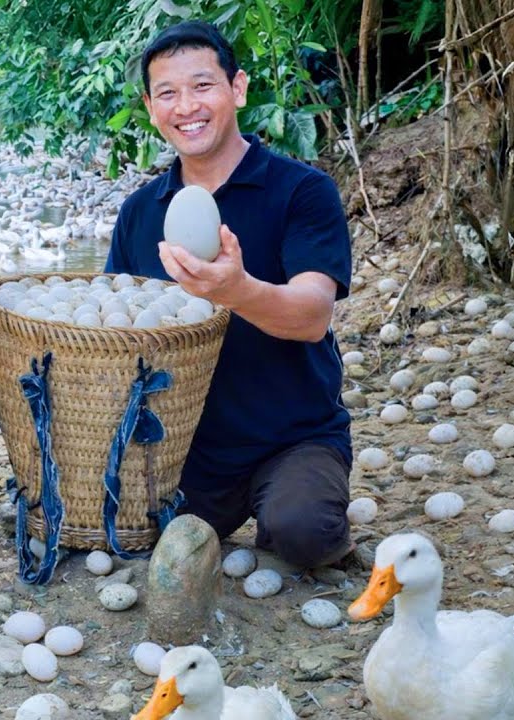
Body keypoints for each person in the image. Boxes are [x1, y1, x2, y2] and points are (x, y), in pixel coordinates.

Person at [105, 21, 353, 569]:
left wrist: (236, 289)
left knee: (302, 533)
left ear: (237, 89)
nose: (185, 106)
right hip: (185, 444)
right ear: (150, 107)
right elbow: (113, 331)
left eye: (202, 86)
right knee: (120, 530)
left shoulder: (302, 191)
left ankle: (295, 509)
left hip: (293, 435)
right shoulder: (141, 212)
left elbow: (312, 316)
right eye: (167, 93)